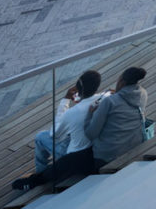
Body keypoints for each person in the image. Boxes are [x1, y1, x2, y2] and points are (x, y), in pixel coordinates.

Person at [13, 67, 145, 191]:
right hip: (131, 142)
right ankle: (40, 176)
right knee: (73, 152)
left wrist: (72, 105)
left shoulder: (107, 102)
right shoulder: (141, 94)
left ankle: (38, 176)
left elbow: (86, 133)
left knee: (44, 139)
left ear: (121, 81)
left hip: (105, 154)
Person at [29, 70, 103, 179]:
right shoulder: (104, 98)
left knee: (40, 137)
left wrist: (65, 100)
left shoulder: (72, 113)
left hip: (74, 156)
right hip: (94, 148)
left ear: (79, 89)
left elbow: (55, 135)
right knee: (70, 132)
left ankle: (41, 172)